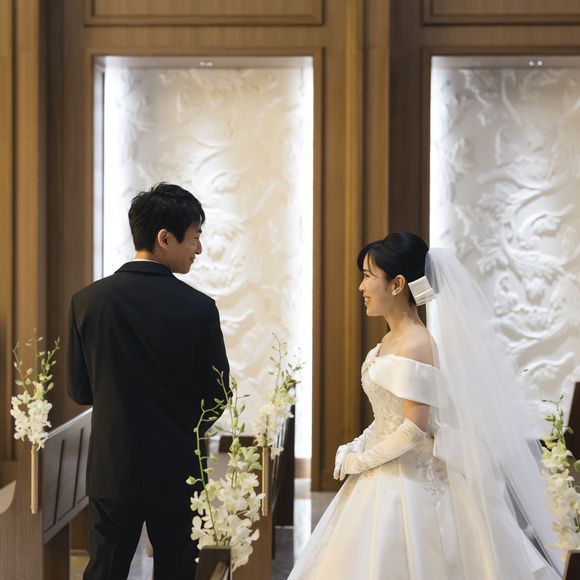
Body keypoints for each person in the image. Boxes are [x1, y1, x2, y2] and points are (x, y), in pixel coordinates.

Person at [289, 232, 562, 580]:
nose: (361, 286)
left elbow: (415, 427)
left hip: (410, 480)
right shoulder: (390, 338)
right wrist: (357, 444)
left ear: (397, 284)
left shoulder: (416, 343)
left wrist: (363, 459)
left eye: (369, 276)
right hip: (385, 467)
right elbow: (388, 414)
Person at [67, 182, 229, 580]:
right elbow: (218, 395)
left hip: (112, 467)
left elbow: (80, 390)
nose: (198, 249)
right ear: (164, 238)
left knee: (105, 569)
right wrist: (180, 430)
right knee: (175, 568)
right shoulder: (199, 308)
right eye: (194, 237)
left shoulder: (87, 301)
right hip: (177, 469)